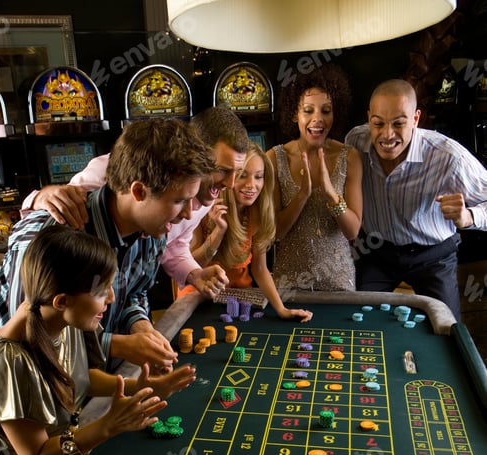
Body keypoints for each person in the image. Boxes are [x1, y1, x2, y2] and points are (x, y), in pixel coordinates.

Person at [0, 225, 196, 455]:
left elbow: (79, 379)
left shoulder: (58, 318)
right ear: (62, 301)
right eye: (101, 292)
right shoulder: (10, 359)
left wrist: (144, 386)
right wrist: (109, 425)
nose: (111, 298)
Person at [0, 117, 214, 371]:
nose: (187, 214)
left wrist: (141, 326)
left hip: (100, 377)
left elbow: (134, 293)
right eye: (180, 201)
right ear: (139, 192)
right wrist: (117, 345)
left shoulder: (153, 233)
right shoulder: (46, 238)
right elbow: (25, 339)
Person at [18, 106, 252, 300]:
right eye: (223, 169)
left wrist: (193, 274)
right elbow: (57, 211)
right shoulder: (115, 173)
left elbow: (173, 246)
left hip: (111, 310)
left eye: (238, 172)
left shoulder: (194, 199)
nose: (231, 184)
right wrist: (38, 197)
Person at [345, 78, 487, 321]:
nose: (387, 135)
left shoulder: (449, 157)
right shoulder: (355, 142)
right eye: (378, 123)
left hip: (433, 257)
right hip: (377, 252)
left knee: (446, 329)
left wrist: (469, 216)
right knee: (359, 321)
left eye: (398, 123)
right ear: (369, 118)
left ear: (415, 119)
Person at [187, 141, 313, 322]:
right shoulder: (203, 210)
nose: (251, 185)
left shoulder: (257, 214)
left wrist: (281, 309)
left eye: (258, 176)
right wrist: (218, 233)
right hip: (198, 299)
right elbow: (190, 268)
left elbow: (260, 269)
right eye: (242, 176)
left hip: (240, 298)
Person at [266, 66, 363, 293]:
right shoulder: (274, 158)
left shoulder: (349, 157)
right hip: (289, 281)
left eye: (326, 111)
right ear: (294, 114)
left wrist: (331, 194)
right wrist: (302, 195)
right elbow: (276, 233)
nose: (317, 119)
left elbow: (353, 232)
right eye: (308, 110)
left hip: (339, 279)